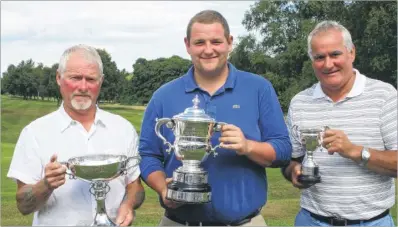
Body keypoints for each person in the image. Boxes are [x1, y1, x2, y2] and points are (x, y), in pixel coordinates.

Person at [139, 10, 292, 226]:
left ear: (229, 43)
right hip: (178, 222)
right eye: (200, 42)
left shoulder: (259, 88)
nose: (208, 50)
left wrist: (248, 146)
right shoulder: (163, 96)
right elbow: (147, 155)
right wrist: (163, 188)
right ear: (187, 45)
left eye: (216, 42)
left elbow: (283, 150)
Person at [7, 44, 145, 226]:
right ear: (59, 78)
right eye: (75, 78)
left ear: (101, 81)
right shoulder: (34, 133)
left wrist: (128, 204)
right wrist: (46, 184)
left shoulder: (123, 128)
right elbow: (23, 206)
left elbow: (135, 186)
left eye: (91, 79)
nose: (83, 86)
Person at [282, 20, 397, 226]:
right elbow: (292, 159)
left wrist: (354, 151)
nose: (328, 64)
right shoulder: (300, 102)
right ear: (312, 61)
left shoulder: (384, 96)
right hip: (312, 220)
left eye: (335, 54)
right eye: (319, 57)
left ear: (351, 53)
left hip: (371, 222)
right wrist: (295, 172)